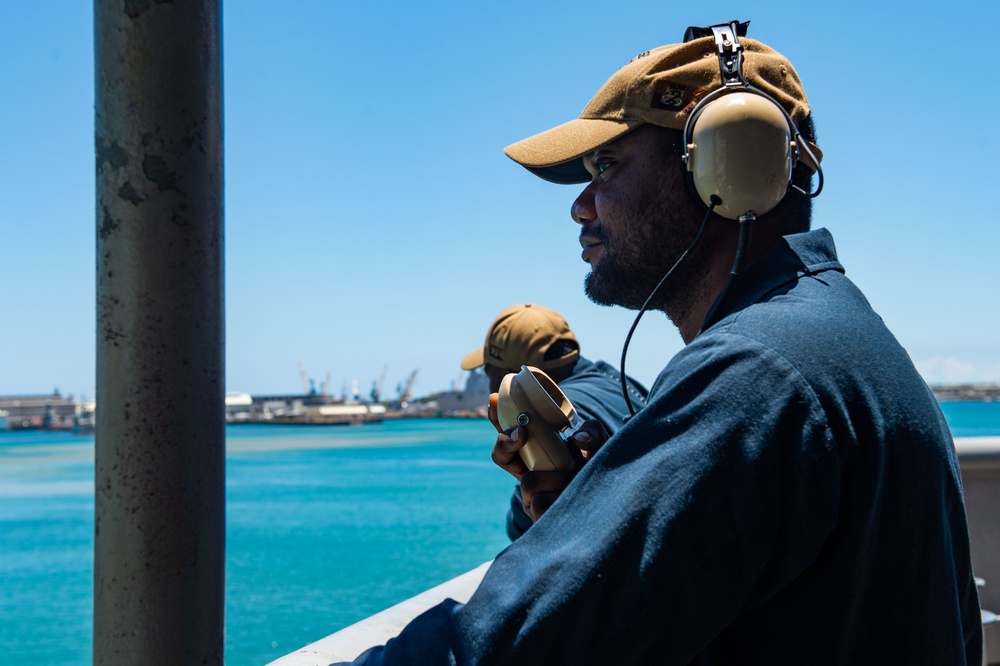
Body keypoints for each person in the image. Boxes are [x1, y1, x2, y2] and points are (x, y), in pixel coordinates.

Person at [340, 20, 981, 664]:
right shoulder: (829, 339)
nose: (582, 207)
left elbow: (503, 649)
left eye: (607, 166)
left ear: (725, 166)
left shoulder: (757, 372)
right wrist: (589, 513)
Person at [460, 303, 646, 540]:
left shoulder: (549, 420)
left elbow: (523, 531)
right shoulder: (621, 382)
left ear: (512, 378)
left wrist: (525, 485)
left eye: (488, 372)